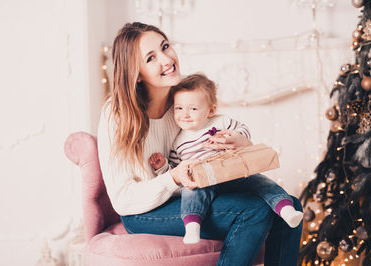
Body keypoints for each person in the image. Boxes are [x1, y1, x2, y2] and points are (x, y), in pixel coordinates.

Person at [97, 22, 303, 265]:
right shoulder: (118, 114)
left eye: (165, 47)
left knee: (291, 204)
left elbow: (215, 133)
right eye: (151, 58)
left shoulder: (182, 95)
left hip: (191, 192)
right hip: (143, 211)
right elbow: (123, 199)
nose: (167, 59)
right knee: (253, 210)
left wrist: (238, 142)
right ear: (137, 73)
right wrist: (172, 177)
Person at [149, 73, 303, 244]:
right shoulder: (178, 142)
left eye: (193, 109)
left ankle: (286, 209)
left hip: (232, 173)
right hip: (204, 182)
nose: (185, 114)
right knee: (190, 191)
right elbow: (178, 173)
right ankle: (192, 226)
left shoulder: (220, 122)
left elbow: (243, 130)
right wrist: (163, 167)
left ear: (211, 110)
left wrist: (237, 138)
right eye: (179, 108)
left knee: (261, 182)